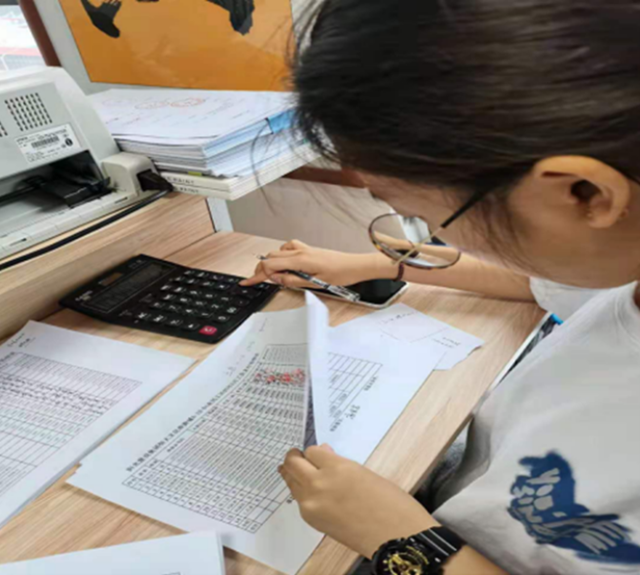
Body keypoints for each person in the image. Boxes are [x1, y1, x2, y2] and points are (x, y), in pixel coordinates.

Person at [240, 1, 640, 573]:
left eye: (425, 217)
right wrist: (379, 264)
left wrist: (399, 538)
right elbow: (547, 277)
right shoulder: (620, 263)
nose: (431, 233)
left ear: (585, 193)